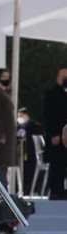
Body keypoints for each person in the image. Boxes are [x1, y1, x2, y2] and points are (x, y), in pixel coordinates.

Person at [43, 68, 67, 200]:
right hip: (56, 135)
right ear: (58, 78)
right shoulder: (51, 94)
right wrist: (53, 134)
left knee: (63, 163)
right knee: (56, 163)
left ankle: (61, 189)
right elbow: (49, 116)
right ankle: (55, 189)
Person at [16, 107, 44, 196]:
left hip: (31, 154)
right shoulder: (18, 126)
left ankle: (30, 188)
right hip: (21, 153)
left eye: (21, 115)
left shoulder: (34, 125)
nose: (19, 117)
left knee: (29, 172)